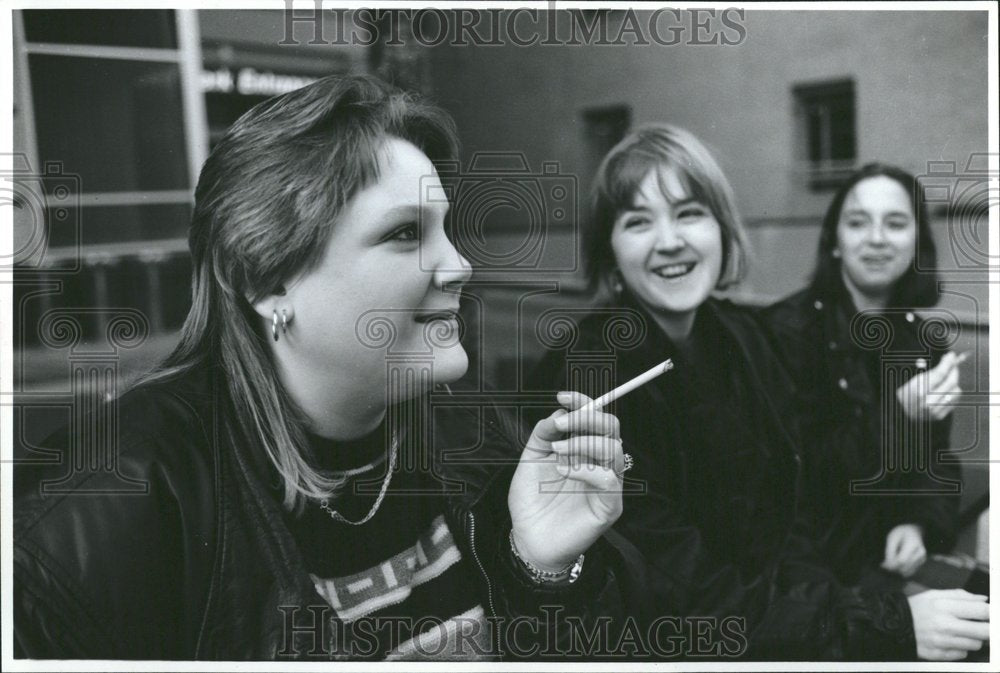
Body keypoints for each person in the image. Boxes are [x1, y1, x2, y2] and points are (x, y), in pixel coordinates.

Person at [13, 75, 642, 660]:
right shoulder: (116, 504)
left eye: (445, 228)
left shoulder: (465, 428)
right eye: (404, 234)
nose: (458, 266)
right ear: (262, 280)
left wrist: (543, 567)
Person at [528, 125, 988, 660]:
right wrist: (878, 623)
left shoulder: (738, 337)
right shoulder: (590, 371)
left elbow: (788, 516)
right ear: (608, 252)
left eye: (690, 213)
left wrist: (862, 598)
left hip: (792, 612)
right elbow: (673, 590)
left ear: (723, 230)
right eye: (637, 222)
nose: (670, 240)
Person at [761, 163, 987, 655]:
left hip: (888, 565)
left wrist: (918, 522)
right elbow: (789, 483)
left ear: (916, 244)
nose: (878, 238)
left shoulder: (925, 344)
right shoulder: (783, 334)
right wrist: (899, 415)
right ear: (835, 240)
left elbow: (936, 463)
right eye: (859, 221)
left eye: (896, 223)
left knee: (985, 622)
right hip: (808, 581)